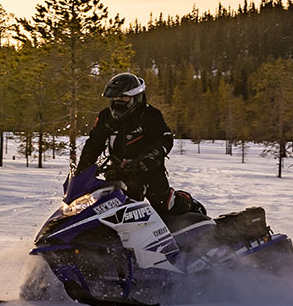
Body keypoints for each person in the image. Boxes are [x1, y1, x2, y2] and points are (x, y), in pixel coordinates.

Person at [75, 72, 205, 218]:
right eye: (115, 98)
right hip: (119, 171)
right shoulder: (106, 117)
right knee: (110, 209)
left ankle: (188, 203)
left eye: (123, 98)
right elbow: (94, 143)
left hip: (148, 170)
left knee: (164, 205)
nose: (118, 102)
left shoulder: (150, 115)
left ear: (135, 97)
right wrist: (82, 169)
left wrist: (148, 158)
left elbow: (165, 138)